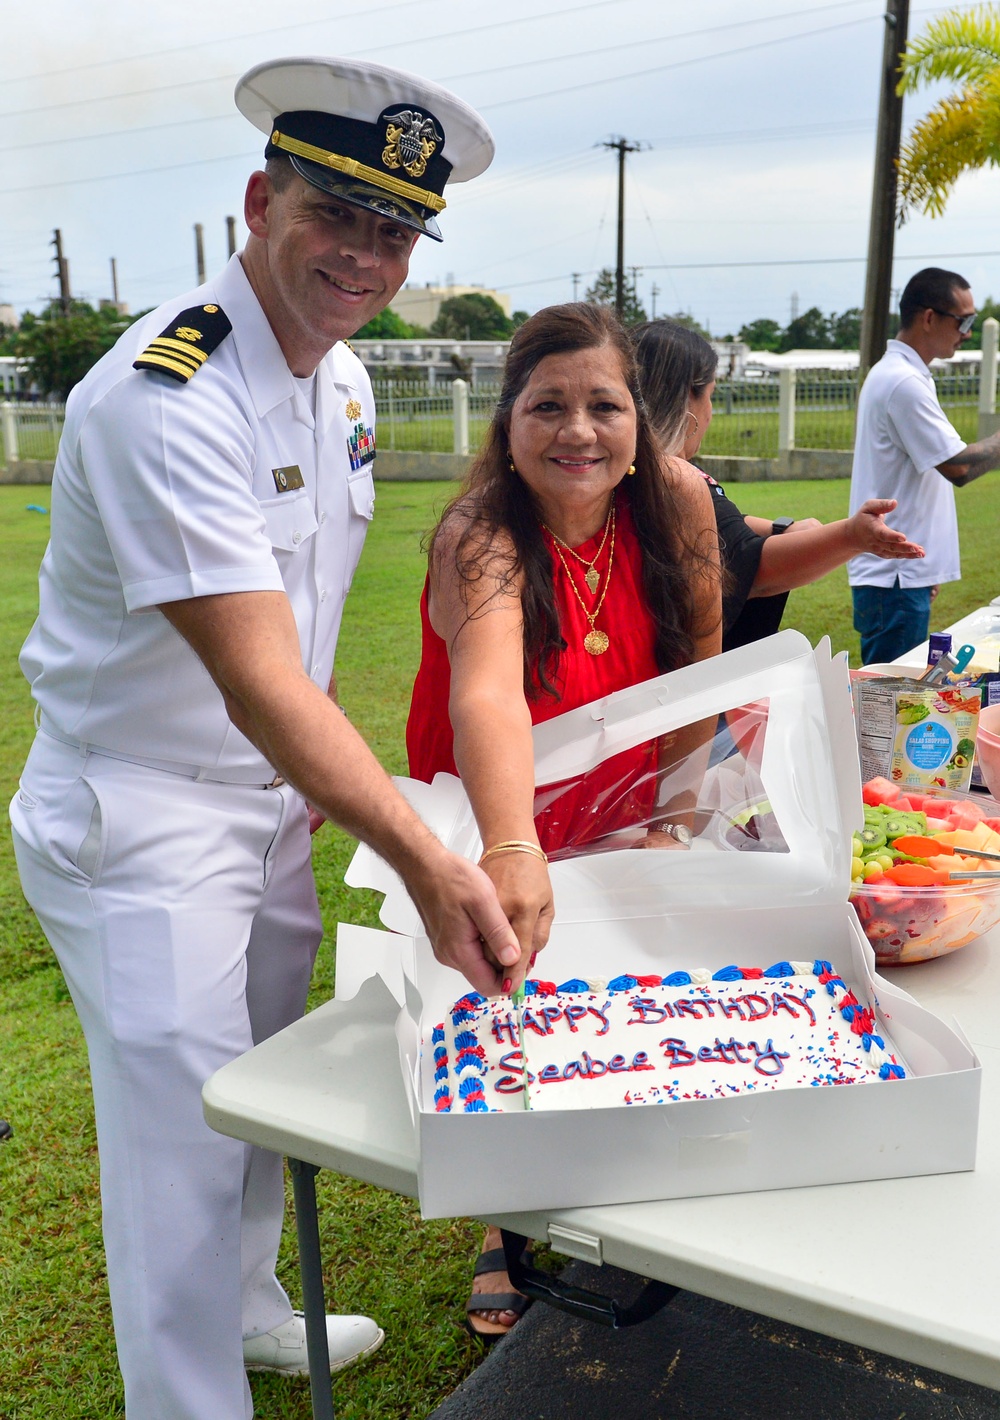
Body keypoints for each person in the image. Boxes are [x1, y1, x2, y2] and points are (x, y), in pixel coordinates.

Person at [8, 56, 524, 1420]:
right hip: (141, 809)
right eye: (338, 215)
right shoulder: (165, 393)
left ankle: (245, 1308)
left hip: (261, 798)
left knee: (253, 1089)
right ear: (259, 201)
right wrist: (421, 856)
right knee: (177, 1138)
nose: (367, 254)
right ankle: (185, 1401)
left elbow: (297, 650)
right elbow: (258, 678)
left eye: (397, 230)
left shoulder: (340, 384)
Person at [405, 302, 723, 1337]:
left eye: (604, 405)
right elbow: (490, 696)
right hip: (494, 800)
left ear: (642, 422)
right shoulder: (482, 533)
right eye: (546, 406)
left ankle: (616, 1175)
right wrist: (509, 845)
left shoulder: (676, 502)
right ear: (506, 424)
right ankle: (503, 1224)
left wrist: (676, 815)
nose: (576, 431)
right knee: (508, 998)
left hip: (622, 791)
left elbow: (696, 669)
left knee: (618, 993)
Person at [630, 319, 925, 651]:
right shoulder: (675, 480)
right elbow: (751, 568)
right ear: (687, 401)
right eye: (710, 396)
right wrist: (852, 536)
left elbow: (720, 525)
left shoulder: (634, 471)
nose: (711, 412)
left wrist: (779, 529)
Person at [849, 266, 1000, 665]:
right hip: (894, 578)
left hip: (899, 574)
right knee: (892, 706)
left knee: (898, 701)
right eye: (962, 320)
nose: (966, 331)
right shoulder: (903, 382)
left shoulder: (903, 375)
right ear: (929, 317)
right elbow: (958, 468)